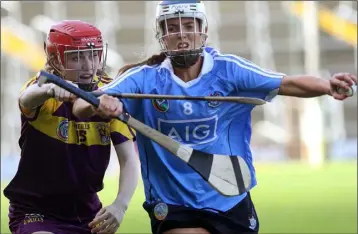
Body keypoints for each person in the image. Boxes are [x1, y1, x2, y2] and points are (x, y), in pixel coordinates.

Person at [72, 1, 357, 234]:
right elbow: (81, 107)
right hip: (173, 204)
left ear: (203, 30)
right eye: (171, 28)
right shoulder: (144, 79)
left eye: (188, 26)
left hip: (229, 195)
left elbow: (287, 84)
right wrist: (101, 103)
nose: (181, 34)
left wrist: (327, 86)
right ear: (162, 35)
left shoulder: (229, 70)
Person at [3, 20, 139, 234]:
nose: (88, 65)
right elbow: (26, 99)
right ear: (56, 59)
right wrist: (49, 90)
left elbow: (129, 159)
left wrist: (120, 205)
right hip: (36, 211)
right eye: (76, 57)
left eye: (92, 55)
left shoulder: (109, 93)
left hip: (87, 214)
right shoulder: (42, 88)